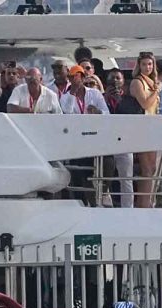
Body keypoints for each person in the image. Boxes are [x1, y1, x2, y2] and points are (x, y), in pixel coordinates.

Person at [60, 65, 109, 206]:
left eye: (75, 76)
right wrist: (72, 94)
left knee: (108, 163)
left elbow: (107, 114)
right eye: (70, 77)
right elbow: (66, 114)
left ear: (81, 77)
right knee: (79, 173)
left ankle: (101, 194)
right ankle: (85, 202)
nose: (73, 79)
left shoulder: (95, 94)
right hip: (76, 140)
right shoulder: (65, 97)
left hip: (95, 138)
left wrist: (98, 112)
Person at [129, 51, 161, 208]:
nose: (147, 67)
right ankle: (143, 205)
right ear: (139, 65)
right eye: (144, 64)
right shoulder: (138, 82)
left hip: (152, 127)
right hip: (141, 127)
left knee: (151, 169)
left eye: (150, 64)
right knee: (146, 169)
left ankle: (145, 202)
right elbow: (145, 103)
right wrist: (156, 91)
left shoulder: (152, 81)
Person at [104, 68, 134, 209]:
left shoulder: (130, 99)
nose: (115, 81)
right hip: (106, 142)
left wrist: (119, 101)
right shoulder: (101, 98)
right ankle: (104, 204)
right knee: (104, 176)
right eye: (112, 78)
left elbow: (132, 115)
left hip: (125, 142)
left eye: (118, 78)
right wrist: (105, 99)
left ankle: (127, 208)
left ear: (123, 81)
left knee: (126, 178)